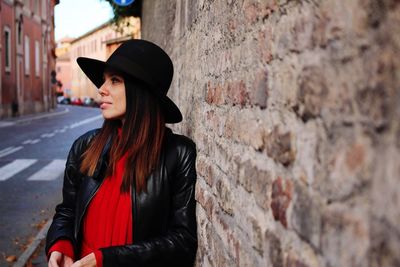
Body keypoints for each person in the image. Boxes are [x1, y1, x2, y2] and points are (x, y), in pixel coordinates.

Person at [46, 39, 198, 267]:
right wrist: (60, 245)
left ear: (141, 91)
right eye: (104, 80)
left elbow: (182, 241)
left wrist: (107, 259)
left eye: (114, 81)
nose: (101, 89)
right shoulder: (85, 147)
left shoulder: (178, 153)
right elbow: (67, 211)